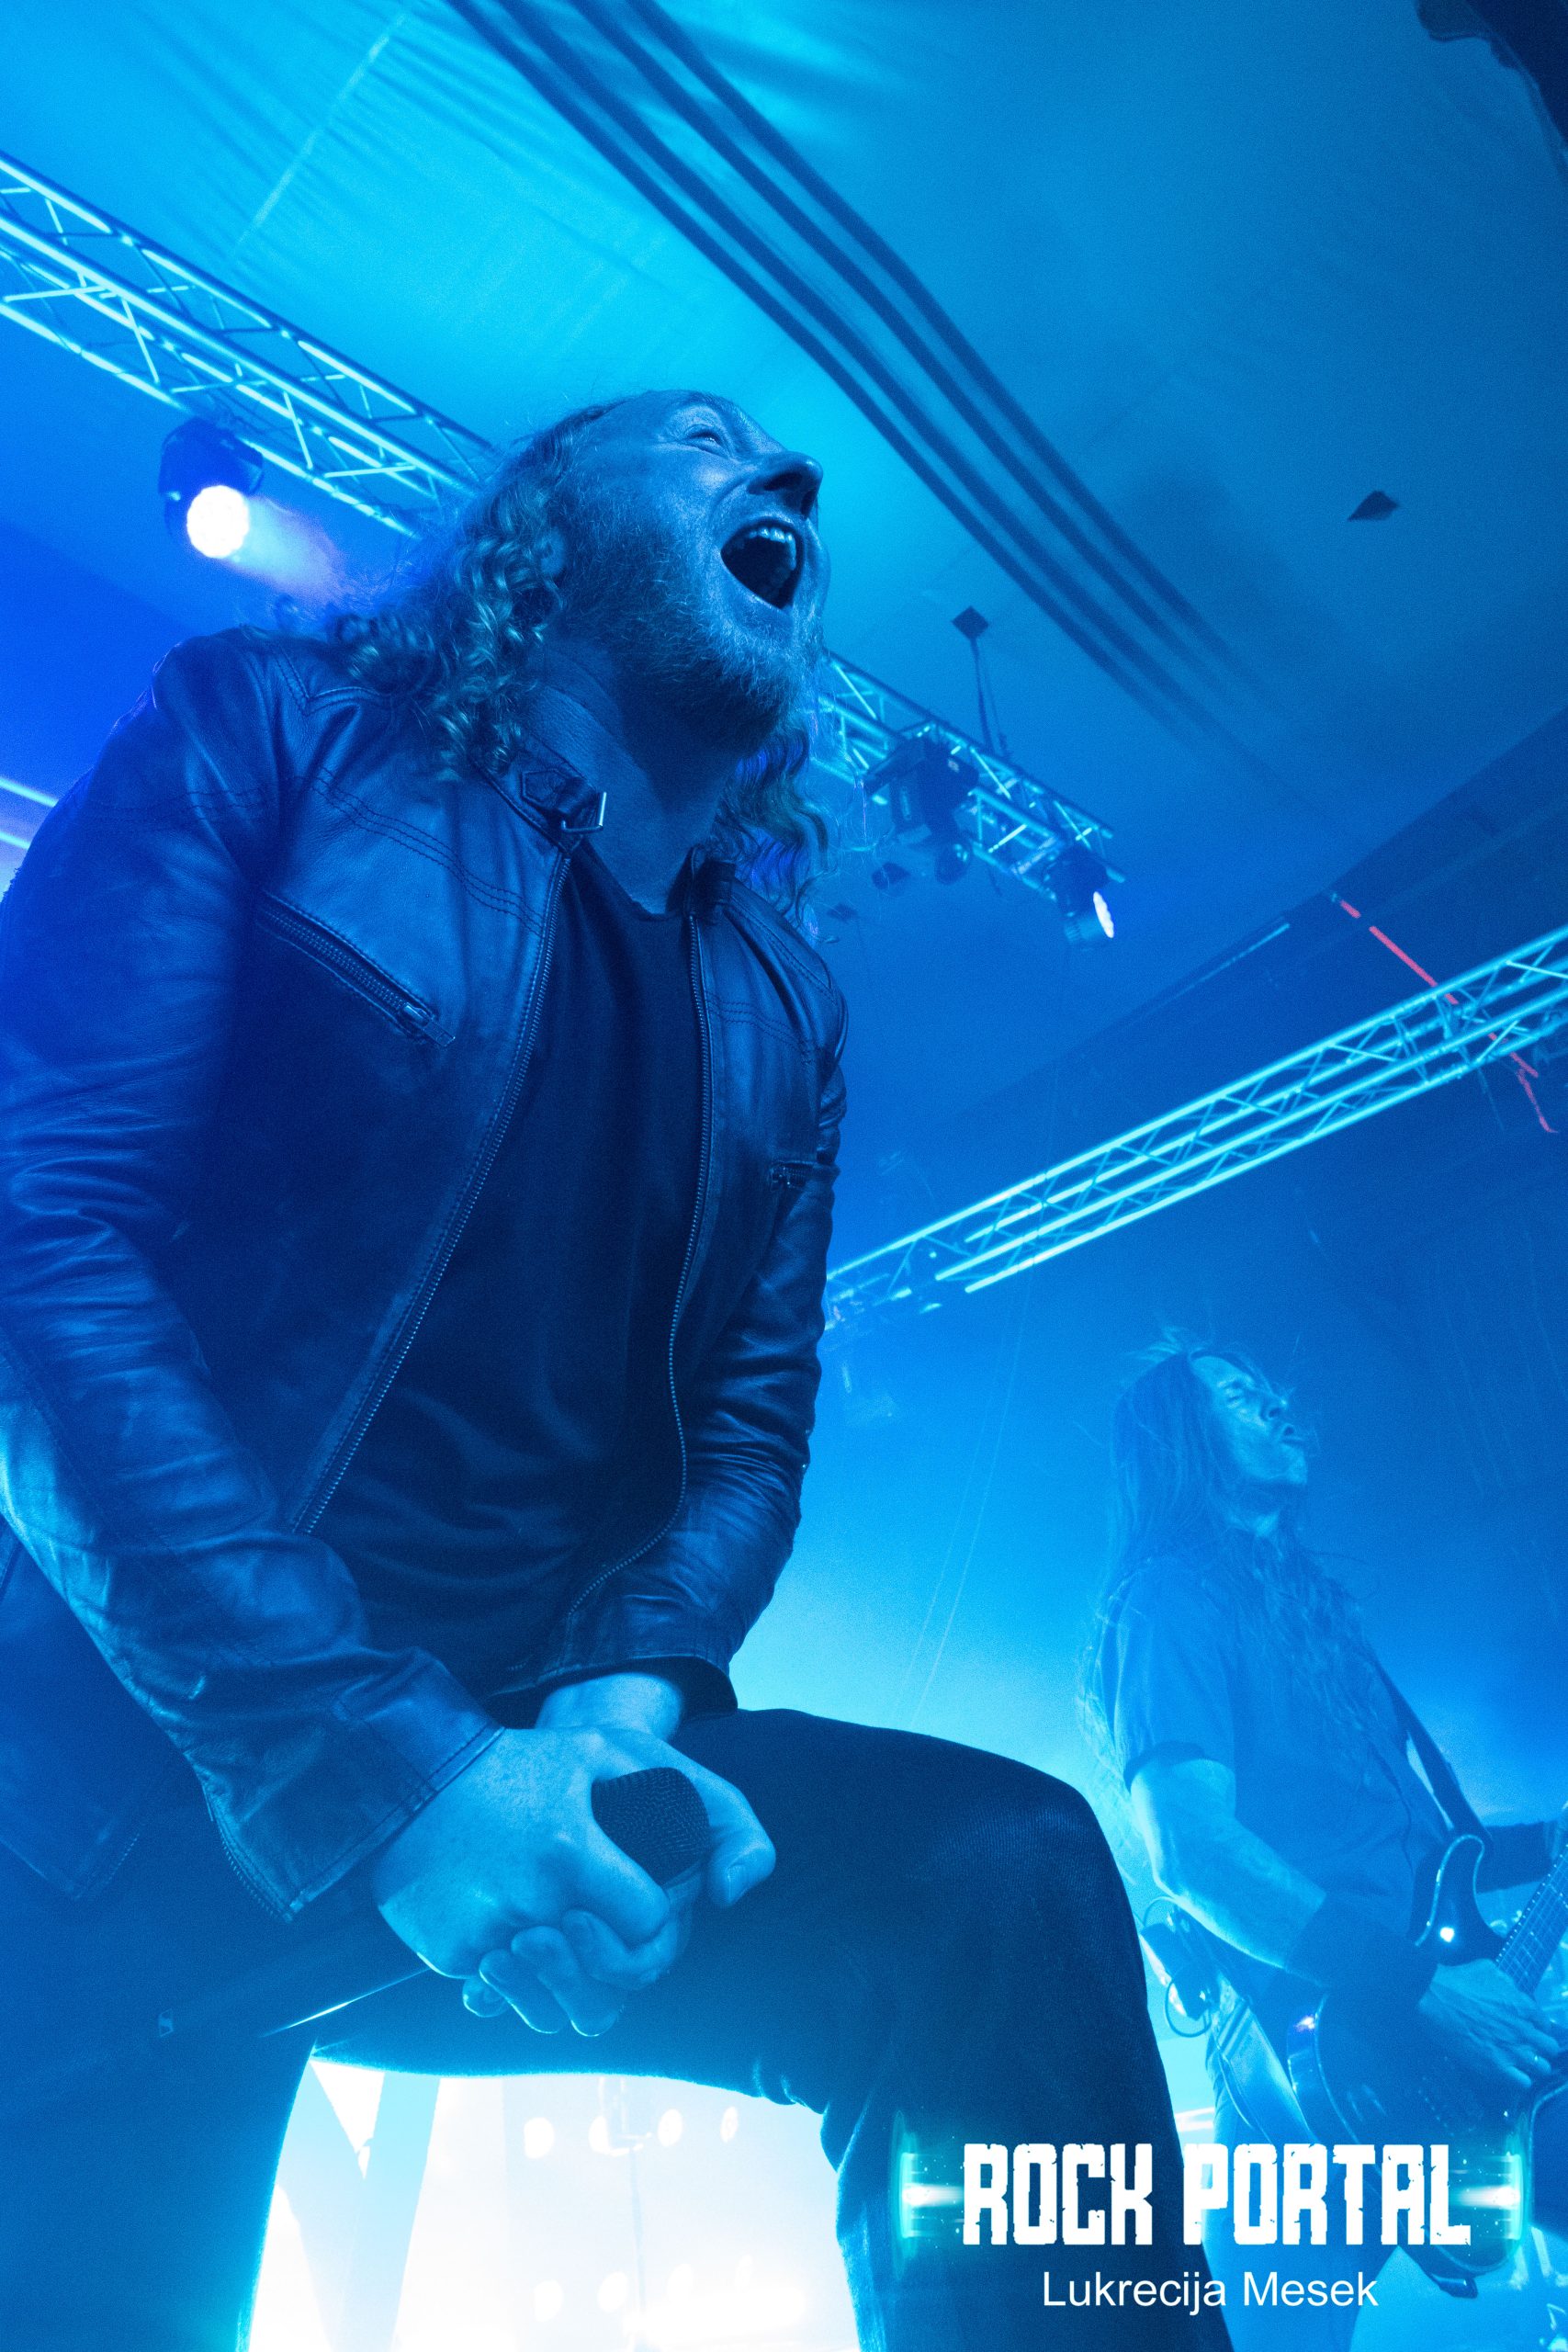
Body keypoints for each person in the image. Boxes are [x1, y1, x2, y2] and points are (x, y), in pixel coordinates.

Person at [0, 391, 1224, 2349]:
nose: (788, 476)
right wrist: (387, 1775)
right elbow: (37, 1241)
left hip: (529, 1779)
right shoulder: (271, 732)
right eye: (705, 438)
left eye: (785, 466)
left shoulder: (783, 1004)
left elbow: (746, 1424)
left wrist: (615, 1706)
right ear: (546, 518)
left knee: (994, 1882)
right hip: (119, 1782)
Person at [1090, 1339, 1567, 2345]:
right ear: (1180, 1439)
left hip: (1438, 2027)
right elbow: (1191, 1851)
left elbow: (1424, 1850)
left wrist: (1550, 1842)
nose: (1276, 1405)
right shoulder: (1169, 1600)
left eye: (1270, 1389)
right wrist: (1420, 1988)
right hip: (1312, 2056)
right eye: (1239, 1396)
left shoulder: (1315, 1619)